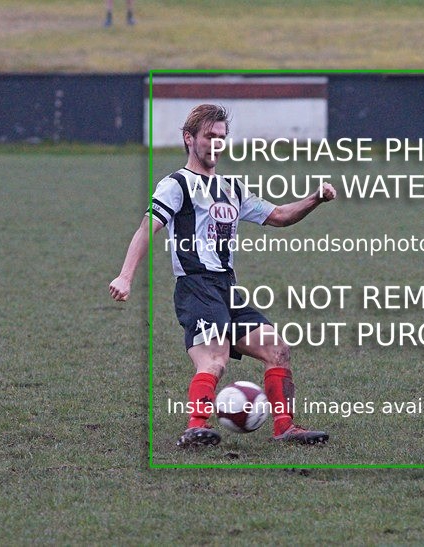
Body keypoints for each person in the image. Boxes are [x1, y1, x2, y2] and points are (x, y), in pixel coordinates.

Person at [109, 104, 336, 446]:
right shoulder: (176, 185)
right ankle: (195, 428)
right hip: (195, 286)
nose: (216, 143)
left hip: (228, 289)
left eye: (221, 137)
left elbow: (279, 216)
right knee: (215, 359)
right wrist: (125, 276)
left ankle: (285, 428)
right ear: (189, 138)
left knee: (277, 349)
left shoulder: (232, 188)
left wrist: (315, 198)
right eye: (209, 136)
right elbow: (146, 229)